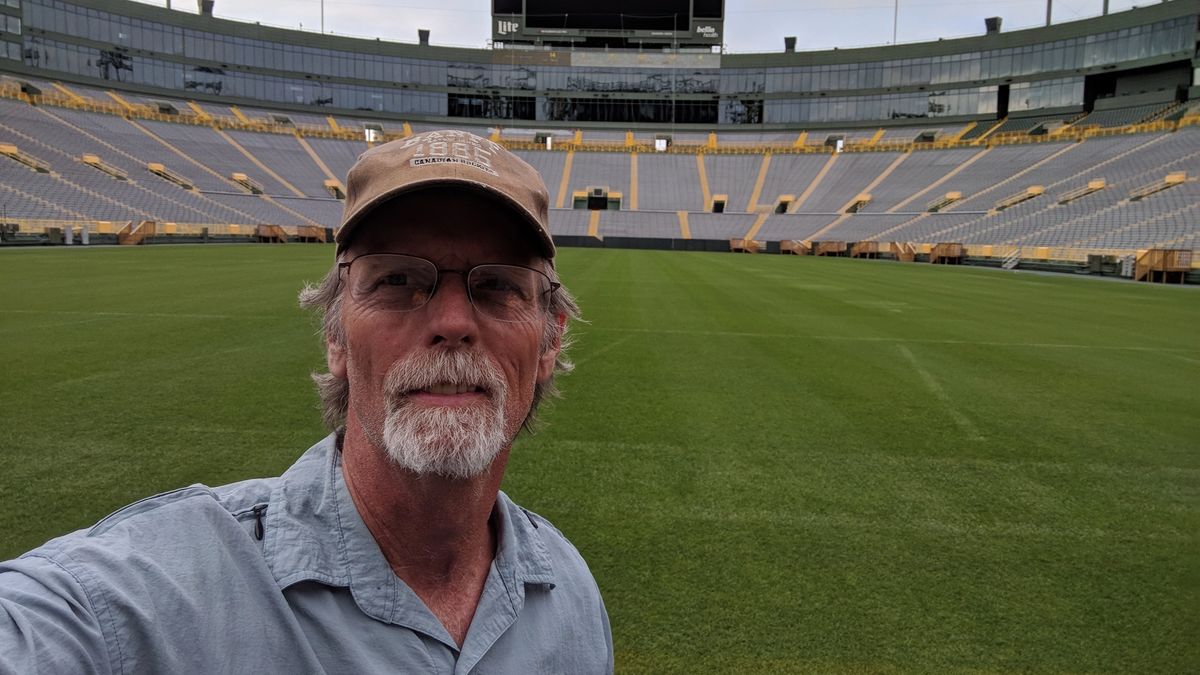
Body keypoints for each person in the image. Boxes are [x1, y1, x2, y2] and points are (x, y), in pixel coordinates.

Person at [0, 130, 613, 673]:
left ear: (550, 340)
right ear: (336, 336)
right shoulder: (138, 598)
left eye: (499, 285)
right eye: (397, 280)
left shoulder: (572, 597)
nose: (452, 321)